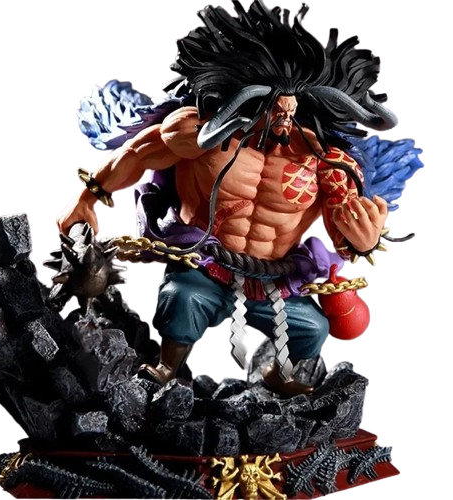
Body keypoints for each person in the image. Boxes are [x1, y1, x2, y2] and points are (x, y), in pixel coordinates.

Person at [56, 2, 402, 395]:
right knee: (180, 296)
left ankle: (279, 376)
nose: (284, 119)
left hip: (275, 277)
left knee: (312, 327)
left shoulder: (324, 161)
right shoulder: (201, 134)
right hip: (204, 261)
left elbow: (345, 221)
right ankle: (167, 368)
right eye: (274, 109)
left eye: (291, 111)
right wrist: (87, 196)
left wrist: (362, 239)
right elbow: (138, 154)